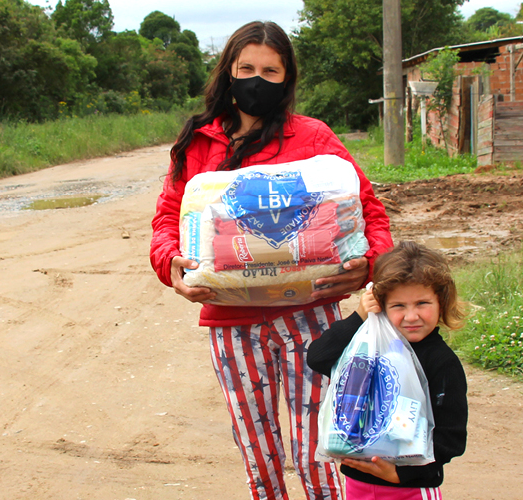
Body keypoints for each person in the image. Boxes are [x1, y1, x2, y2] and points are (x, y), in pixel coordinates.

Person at [149, 21, 393, 500]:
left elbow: (367, 209)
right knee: (257, 454)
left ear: (287, 78)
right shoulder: (199, 142)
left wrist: (372, 262)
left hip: (311, 316)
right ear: (228, 72)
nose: (256, 80)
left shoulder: (314, 137)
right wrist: (170, 264)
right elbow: (167, 219)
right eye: (246, 69)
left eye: (270, 71)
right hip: (231, 322)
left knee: (319, 450)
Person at [307, 241, 468, 500]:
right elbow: (318, 357)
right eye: (398, 306)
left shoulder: (442, 362)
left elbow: (451, 437)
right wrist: (360, 315)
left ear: (442, 301)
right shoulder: (368, 348)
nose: (411, 316)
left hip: (410, 488)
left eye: (422, 303)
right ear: (380, 305)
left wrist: (401, 474)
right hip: (357, 483)